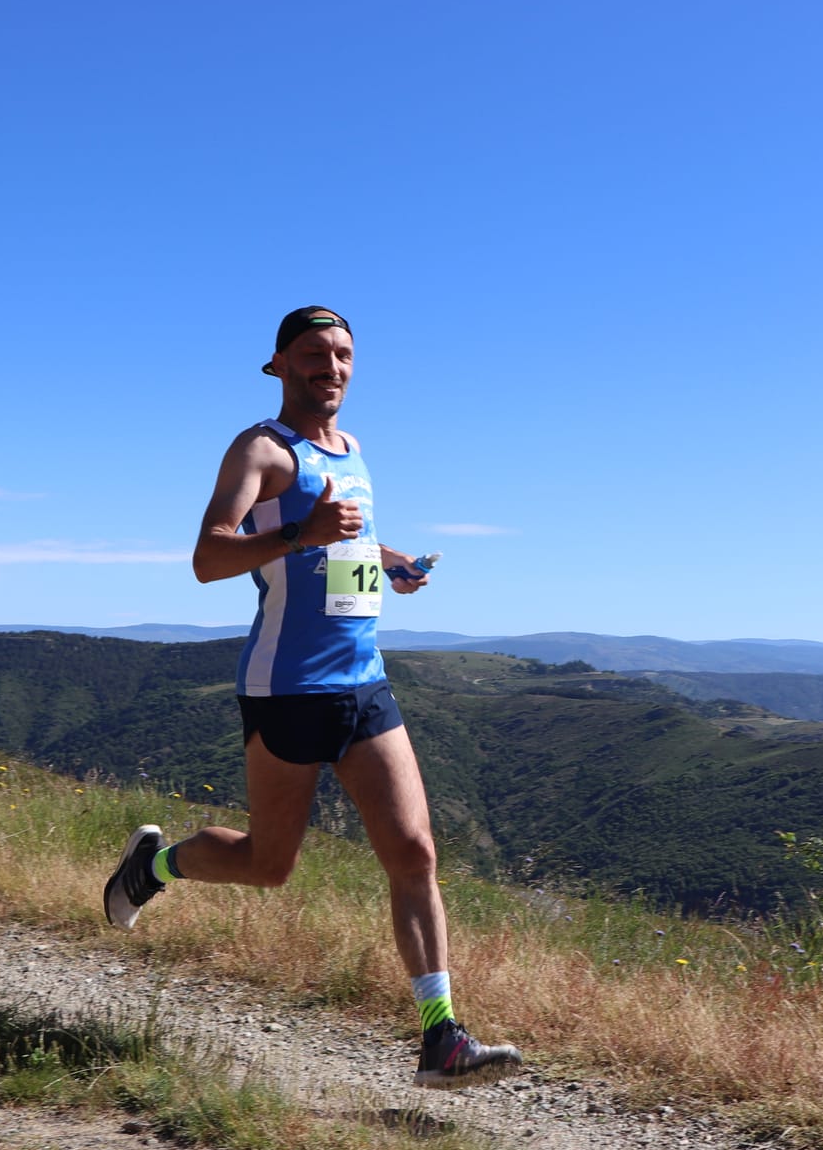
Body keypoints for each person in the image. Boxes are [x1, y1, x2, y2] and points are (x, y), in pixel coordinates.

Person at [103, 305, 522, 1090]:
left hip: (364, 683)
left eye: (343, 356)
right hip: (287, 689)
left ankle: (442, 1037)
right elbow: (207, 556)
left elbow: (344, 534)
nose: (331, 368)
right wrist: (302, 534)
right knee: (269, 864)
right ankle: (152, 865)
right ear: (279, 365)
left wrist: (387, 559)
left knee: (415, 852)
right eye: (313, 355)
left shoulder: (354, 450)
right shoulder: (260, 449)